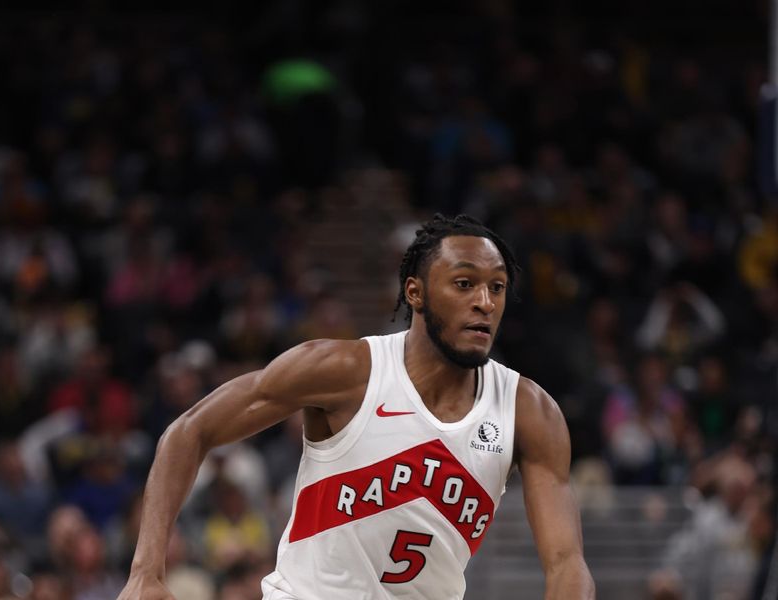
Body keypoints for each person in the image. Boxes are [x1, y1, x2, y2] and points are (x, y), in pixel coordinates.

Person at [118, 214, 595, 600]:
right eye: (465, 284)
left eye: (497, 287)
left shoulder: (527, 410)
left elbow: (566, 564)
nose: (485, 303)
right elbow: (190, 430)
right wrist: (146, 571)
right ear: (416, 293)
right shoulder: (345, 370)